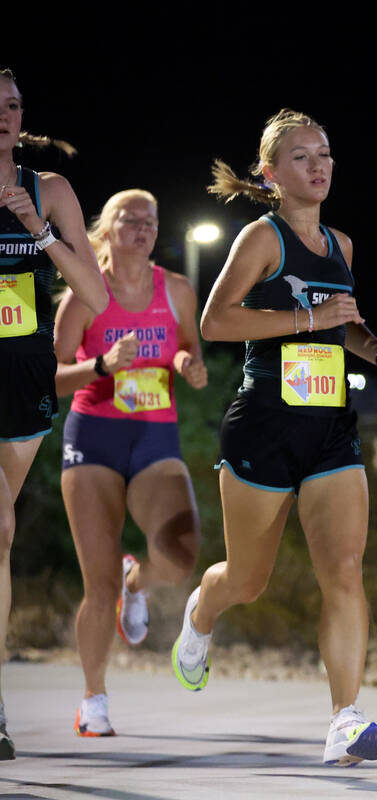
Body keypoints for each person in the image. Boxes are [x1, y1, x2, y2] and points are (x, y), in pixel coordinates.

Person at [172, 109, 377, 766]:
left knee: (343, 570)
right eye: (302, 157)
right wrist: (304, 316)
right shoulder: (262, 238)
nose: (319, 166)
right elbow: (216, 321)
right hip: (265, 423)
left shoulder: (341, 246)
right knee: (248, 581)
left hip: (332, 427)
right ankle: (203, 608)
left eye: (326, 154)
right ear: (271, 173)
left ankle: (345, 718)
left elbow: (346, 326)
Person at [54, 189, 207, 736]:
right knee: (97, 584)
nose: (143, 228)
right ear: (107, 228)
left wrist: (188, 363)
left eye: (151, 220)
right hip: (93, 436)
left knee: (181, 555)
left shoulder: (179, 291)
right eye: (130, 219)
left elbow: (188, 346)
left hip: (154, 435)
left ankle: (136, 584)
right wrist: (99, 364)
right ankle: (93, 699)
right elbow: (51, 377)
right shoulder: (83, 294)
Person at [0, 68, 108, 759]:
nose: (3, 115)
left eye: (11, 105)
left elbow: (95, 297)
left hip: (22, 379)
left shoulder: (50, 190)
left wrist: (36, 229)